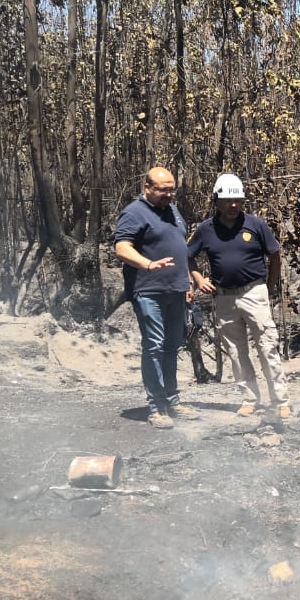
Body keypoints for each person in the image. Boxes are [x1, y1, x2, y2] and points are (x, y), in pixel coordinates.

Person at [187, 173, 290, 418]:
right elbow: (187, 255)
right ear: (216, 201)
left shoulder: (256, 225)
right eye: (227, 201)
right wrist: (199, 279)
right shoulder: (206, 229)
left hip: (254, 292)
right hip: (223, 298)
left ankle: (281, 401)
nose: (233, 205)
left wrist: (270, 287)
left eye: (238, 200)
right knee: (235, 350)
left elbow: (275, 256)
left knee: (267, 347)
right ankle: (249, 398)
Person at [114, 167, 199, 429]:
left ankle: (172, 400)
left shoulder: (172, 211)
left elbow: (181, 248)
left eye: (172, 189)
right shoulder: (134, 212)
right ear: (147, 188)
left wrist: (186, 280)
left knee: (172, 346)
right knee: (154, 345)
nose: (168, 194)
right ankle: (156, 407)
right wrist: (148, 264)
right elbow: (122, 247)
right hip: (148, 290)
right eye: (163, 189)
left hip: (176, 289)